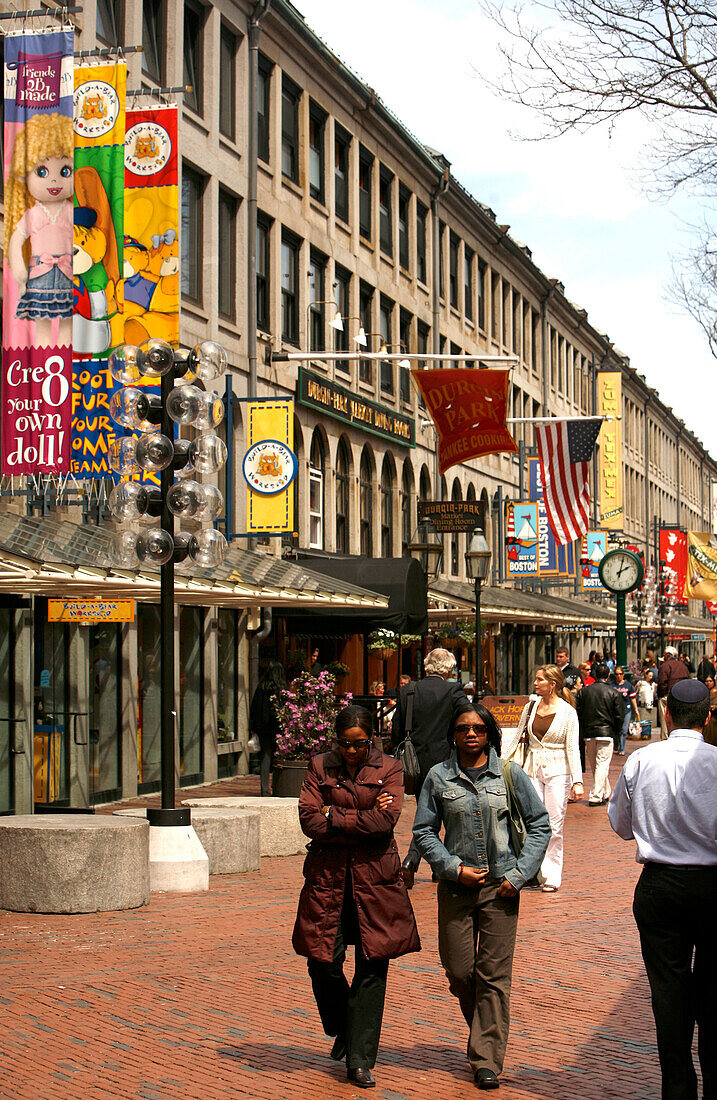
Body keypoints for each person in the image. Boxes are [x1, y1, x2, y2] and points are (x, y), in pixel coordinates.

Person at [413, 701, 550, 1090]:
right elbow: (423, 831)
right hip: (456, 889)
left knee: (493, 976)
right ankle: (486, 1030)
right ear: (453, 735)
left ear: (489, 733)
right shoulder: (439, 777)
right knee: (459, 971)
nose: (470, 734)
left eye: (478, 728)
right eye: (462, 729)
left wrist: (520, 875)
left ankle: (485, 1059)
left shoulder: (509, 774)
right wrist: (453, 868)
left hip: (501, 888)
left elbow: (540, 825)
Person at [292, 705, 420, 1090]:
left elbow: (386, 823)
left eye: (359, 744)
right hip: (327, 878)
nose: (351, 751)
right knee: (321, 960)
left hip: (375, 879)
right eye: (344, 744)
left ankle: (360, 1059)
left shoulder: (390, 767)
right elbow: (308, 820)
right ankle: (346, 1028)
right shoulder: (319, 766)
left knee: (372, 964)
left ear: (371, 740)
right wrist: (362, 808)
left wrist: (335, 813)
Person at [608, 679, 717, 1100]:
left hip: (660, 884)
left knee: (668, 992)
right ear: (707, 717)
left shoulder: (641, 760)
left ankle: (677, 1087)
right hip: (710, 885)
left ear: (666, 714)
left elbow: (620, 826)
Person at [502, 665, 582, 892]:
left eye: (540, 680)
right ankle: (533, 872)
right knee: (532, 823)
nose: (535, 683)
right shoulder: (530, 707)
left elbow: (572, 748)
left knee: (554, 825)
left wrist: (577, 781)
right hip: (531, 769)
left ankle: (552, 874)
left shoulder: (568, 712)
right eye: (535, 679)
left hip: (558, 771)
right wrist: (500, 763)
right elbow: (517, 737)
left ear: (552, 684)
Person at [391, 647, 466, 888]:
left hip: (414, 762)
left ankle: (434, 866)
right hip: (444, 760)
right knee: (437, 813)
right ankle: (415, 861)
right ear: (449, 668)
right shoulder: (453, 690)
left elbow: (396, 729)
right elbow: (468, 716)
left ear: (427, 666)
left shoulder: (409, 690)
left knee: (432, 811)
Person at [4, 112, 74, 348]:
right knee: (42, 326)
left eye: (65, 171)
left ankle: (62, 355)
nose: (54, 181)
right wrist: (20, 274)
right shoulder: (33, 213)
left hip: (67, 273)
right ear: (24, 175)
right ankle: (44, 359)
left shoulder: (70, 210)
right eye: (42, 172)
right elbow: (16, 240)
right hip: (40, 274)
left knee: (67, 325)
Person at [576, 662, 624, 805]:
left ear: (595, 674)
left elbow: (578, 711)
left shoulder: (584, 692)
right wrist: (616, 731)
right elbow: (619, 716)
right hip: (606, 732)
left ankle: (604, 792)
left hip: (589, 733)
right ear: (608, 675)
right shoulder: (614, 693)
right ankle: (596, 796)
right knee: (601, 764)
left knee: (596, 765)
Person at [249, 661, 286, 796]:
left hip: (263, 728)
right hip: (278, 728)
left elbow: (254, 708)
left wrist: (253, 727)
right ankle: (277, 786)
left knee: (265, 757)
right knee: (278, 758)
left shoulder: (261, 688)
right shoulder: (281, 689)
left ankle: (264, 789)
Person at [657, 645, 690, 739]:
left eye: (664, 655)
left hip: (668, 695)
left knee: (664, 718)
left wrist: (661, 695)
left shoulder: (665, 666)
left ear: (667, 655)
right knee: (680, 717)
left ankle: (666, 738)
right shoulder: (682, 666)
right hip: (682, 696)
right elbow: (688, 681)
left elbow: (662, 683)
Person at [613, 666, 639, 754]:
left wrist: (636, 709)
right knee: (616, 730)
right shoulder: (612, 685)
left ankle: (622, 748)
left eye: (620, 674)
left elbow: (632, 698)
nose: (618, 676)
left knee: (624, 730)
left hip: (626, 709)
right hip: (615, 711)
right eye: (616, 674)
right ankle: (617, 744)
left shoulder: (628, 685)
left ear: (623, 674)